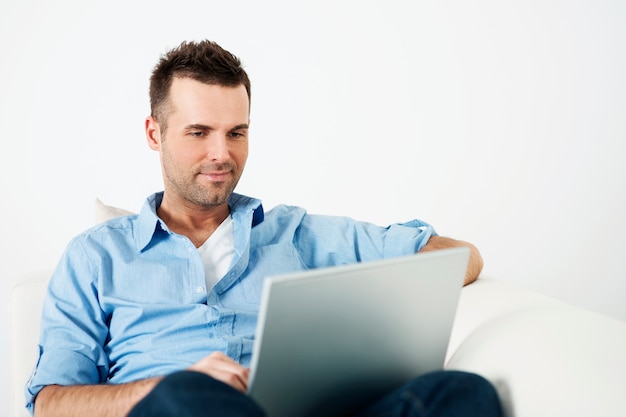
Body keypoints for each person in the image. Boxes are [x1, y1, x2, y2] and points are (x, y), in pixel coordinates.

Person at [26, 40, 502, 417]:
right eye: (198, 132)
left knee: (460, 393)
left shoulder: (296, 234)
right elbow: (50, 404)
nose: (221, 154)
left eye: (237, 132)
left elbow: (463, 256)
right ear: (155, 134)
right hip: (180, 410)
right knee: (187, 398)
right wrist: (162, 387)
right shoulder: (96, 256)